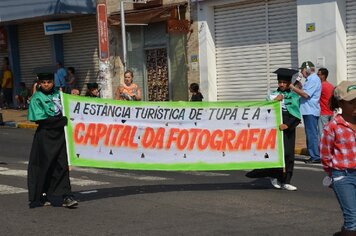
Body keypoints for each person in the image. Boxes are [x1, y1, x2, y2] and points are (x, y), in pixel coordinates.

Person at [27, 72, 78, 208]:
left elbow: (70, 107)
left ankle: (67, 195)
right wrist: (61, 121)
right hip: (45, 136)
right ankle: (42, 195)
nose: (46, 85)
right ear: (39, 83)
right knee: (45, 165)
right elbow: (40, 119)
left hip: (61, 135)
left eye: (49, 82)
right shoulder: (37, 97)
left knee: (62, 164)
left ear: (53, 82)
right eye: (44, 82)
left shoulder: (59, 94)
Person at [245, 68, 301, 191]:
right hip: (274, 127)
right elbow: (264, 110)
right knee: (275, 153)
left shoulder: (294, 96)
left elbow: (296, 115)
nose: (281, 84)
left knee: (288, 154)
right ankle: (274, 175)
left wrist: (287, 125)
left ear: (288, 83)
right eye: (279, 82)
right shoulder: (272, 95)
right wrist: (275, 101)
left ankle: (286, 181)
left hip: (288, 128)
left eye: (284, 82)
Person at [320, 81, 356, 235]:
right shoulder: (333, 127)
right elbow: (325, 155)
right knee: (353, 219)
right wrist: (333, 176)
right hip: (343, 176)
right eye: (352, 102)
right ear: (341, 102)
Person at [289, 61, 321, 164]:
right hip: (308, 110)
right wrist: (300, 86)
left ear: (306, 69)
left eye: (302, 70)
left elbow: (306, 95)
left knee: (311, 134)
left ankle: (315, 156)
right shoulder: (309, 80)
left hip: (310, 110)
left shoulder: (313, 79)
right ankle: (313, 155)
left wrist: (293, 88)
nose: (301, 73)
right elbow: (305, 92)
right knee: (309, 134)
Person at [317, 68, 334, 138]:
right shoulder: (331, 86)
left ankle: (322, 148)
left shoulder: (321, 86)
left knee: (322, 134)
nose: (317, 76)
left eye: (318, 74)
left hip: (323, 113)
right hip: (331, 113)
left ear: (323, 76)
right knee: (330, 133)